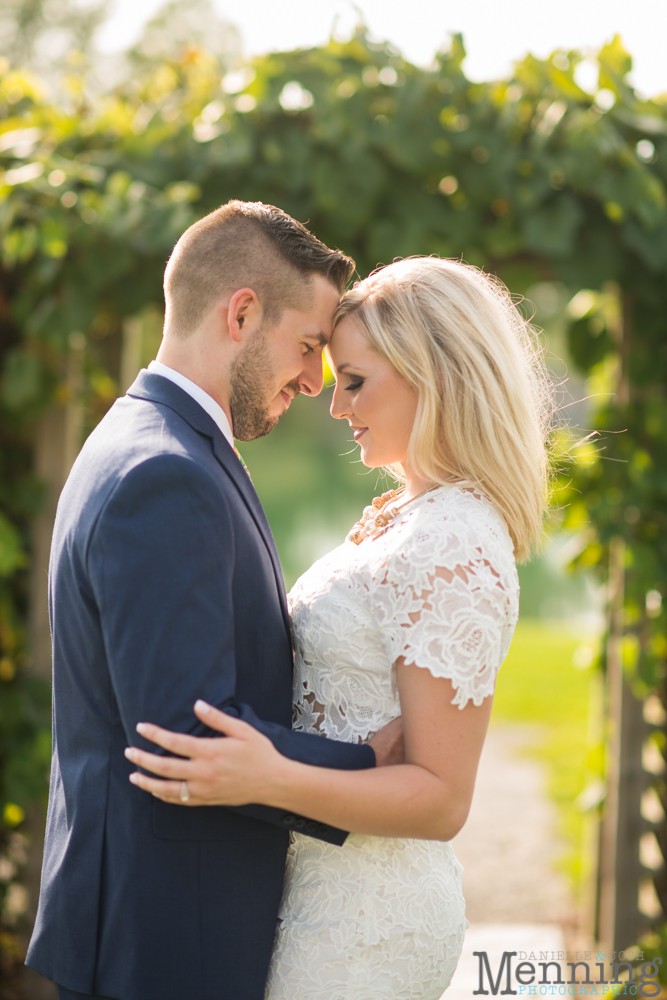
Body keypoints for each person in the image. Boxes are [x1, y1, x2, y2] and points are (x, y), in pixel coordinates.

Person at [127, 256, 551, 1000]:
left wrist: (270, 776)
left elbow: (443, 799)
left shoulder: (451, 538)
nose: (334, 404)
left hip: (366, 923)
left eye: (354, 380)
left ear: (438, 375)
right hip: (314, 892)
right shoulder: (412, 516)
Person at [25, 200, 404, 1000]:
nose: (313, 380)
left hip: (152, 918)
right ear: (241, 313)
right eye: (307, 347)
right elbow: (184, 738)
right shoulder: (165, 474)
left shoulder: (148, 439)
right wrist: (371, 764)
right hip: (166, 939)